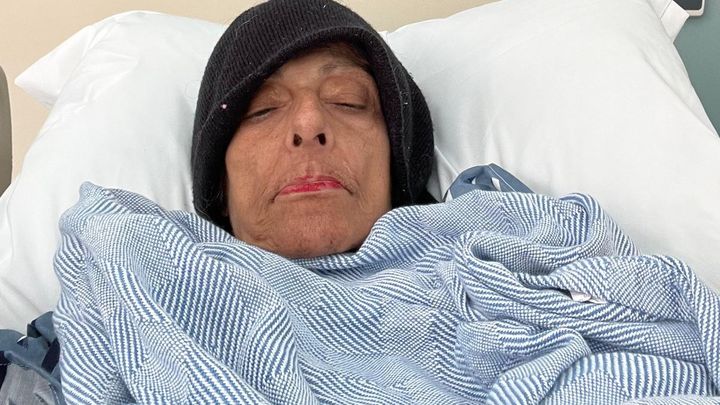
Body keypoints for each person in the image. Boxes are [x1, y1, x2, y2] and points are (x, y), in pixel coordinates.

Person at [191, 0, 435, 258]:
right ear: (221, 184)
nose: (308, 124)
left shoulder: (464, 243)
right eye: (262, 109)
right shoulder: (162, 253)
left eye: (346, 100)